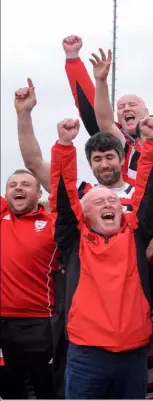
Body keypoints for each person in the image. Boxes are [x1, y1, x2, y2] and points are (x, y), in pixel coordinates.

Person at [63, 36, 153, 397]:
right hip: (128, 274)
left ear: (151, 114)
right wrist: (90, 73)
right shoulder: (113, 147)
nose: (127, 109)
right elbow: (98, 116)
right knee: (140, 362)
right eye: (122, 106)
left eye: (135, 104)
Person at [50, 115, 153, 399]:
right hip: (87, 354)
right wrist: (65, 145)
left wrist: (151, 142)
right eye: (98, 202)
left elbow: (150, 194)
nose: (108, 204)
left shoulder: (135, 234)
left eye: (113, 202)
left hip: (133, 352)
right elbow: (63, 199)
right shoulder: (74, 239)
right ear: (85, 214)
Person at [0, 169, 58, 399]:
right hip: (3, 324)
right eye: (12, 185)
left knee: (45, 390)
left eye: (25, 184)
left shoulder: (53, 224)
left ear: (39, 192)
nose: (18, 188)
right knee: (10, 391)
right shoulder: (2, 215)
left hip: (40, 324)